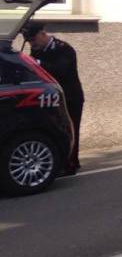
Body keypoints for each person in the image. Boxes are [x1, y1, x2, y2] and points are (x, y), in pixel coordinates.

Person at [22, 23, 84, 174]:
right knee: (54, 130)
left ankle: (71, 164)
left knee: (71, 130)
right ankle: (56, 163)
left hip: (70, 97)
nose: (32, 44)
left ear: (43, 33)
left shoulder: (64, 49)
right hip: (50, 98)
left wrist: (36, 63)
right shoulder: (37, 49)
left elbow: (60, 70)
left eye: (33, 40)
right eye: (29, 41)